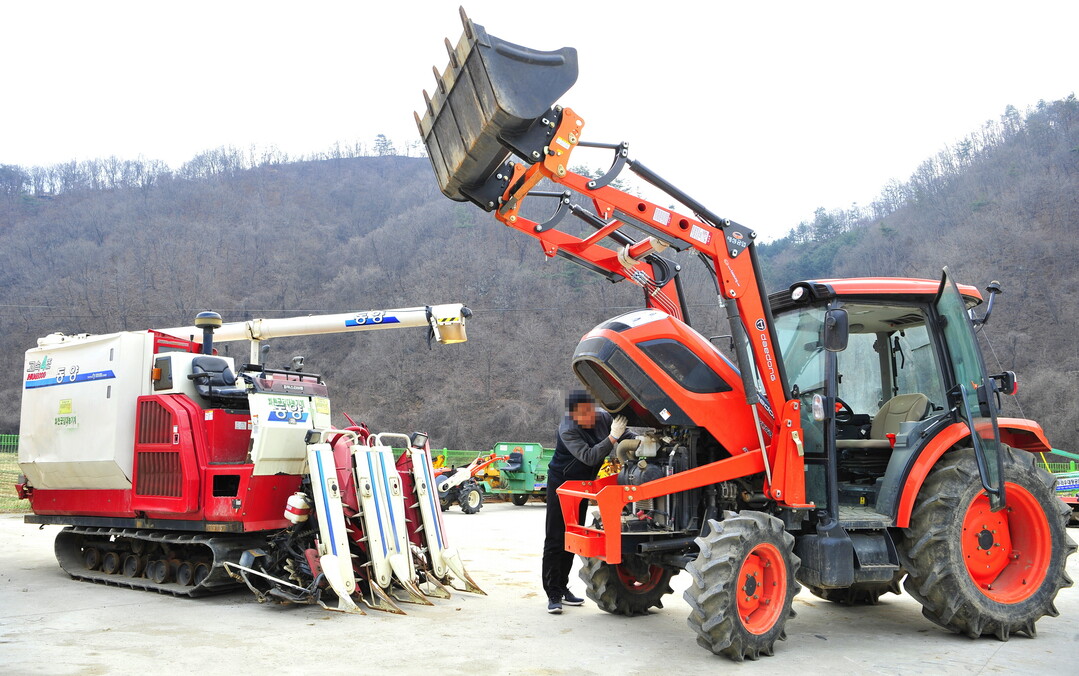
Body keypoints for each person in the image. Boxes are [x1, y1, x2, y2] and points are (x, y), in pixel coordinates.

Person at [542, 388, 628, 614]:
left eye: (589, 412)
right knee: (556, 537)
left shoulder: (603, 417)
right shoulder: (567, 429)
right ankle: (553, 593)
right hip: (562, 485)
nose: (587, 418)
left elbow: (625, 436)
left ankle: (562, 587)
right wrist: (612, 437)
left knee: (573, 538)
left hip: (582, 486)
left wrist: (640, 440)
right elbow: (590, 456)